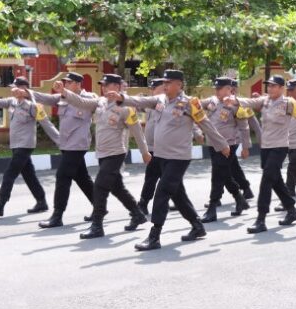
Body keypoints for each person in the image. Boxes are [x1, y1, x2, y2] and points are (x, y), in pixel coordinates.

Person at [107, 70, 230, 250]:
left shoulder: (190, 103)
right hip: (161, 156)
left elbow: (206, 124)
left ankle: (154, 235)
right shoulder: (160, 100)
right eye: (164, 82)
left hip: (178, 157)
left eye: (169, 82)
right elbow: (140, 101)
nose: (165, 85)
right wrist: (122, 97)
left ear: (179, 84)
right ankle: (197, 226)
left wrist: (222, 144)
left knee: (162, 192)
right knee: (178, 195)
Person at [55, 74, 152, 239]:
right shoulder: (99, 102)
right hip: (102, 153)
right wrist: (64, 91)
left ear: (117, 87)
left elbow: (137, 131)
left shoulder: (126, 107)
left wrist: (144, 152)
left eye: (107, 85)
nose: (104, 88)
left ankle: (97, 225)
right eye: (103, 86)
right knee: (117, 188)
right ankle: (137, 213)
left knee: (100, 186)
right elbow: (81, 102)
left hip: (116, 153)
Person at [225, 75, 296, 234]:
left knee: (266, 181)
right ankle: (292, 211)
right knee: (276, 180)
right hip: (266, 147)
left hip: (280, 147)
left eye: (273, 86)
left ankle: (261, 218)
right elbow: (249, 102)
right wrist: (234, 100)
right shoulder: (265, 101)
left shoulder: (288, 103)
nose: (270, 88)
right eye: (268, 86)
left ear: (281, 88)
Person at [0, 77, 58, 217]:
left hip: (25, 145)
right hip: (16, 144)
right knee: (29, 175)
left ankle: (0, 205)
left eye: (14, 87)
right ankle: (41, 201)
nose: (11, 89)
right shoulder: (12, 102)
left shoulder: (33, 106)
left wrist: (60, 141)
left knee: (9, 174)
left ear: (23, 89)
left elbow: (46, 123)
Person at [22, 72, 99, 228]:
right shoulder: (63, 97)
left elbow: (80, 101)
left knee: (62, 176)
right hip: (65, 144)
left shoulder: (90, 97)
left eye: (69, 82)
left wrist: (65, 92)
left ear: (78, 84)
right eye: (65, 82)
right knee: (82, 178)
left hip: (77, 145)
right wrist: (27, 92)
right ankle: (100, 207)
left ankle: (57, 216)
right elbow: (47, 99)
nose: (66, 84)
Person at [198, 77, 251, 223]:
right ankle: (240, 199)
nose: (216, 91)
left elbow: (244, 127)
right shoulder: (213, 101)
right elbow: (197, 105)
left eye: (220, 88)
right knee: (225, 174)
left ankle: (212, 208)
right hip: (213, 143)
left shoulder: (236, 105)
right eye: (216, 88)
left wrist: (246, 147)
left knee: (217, 174)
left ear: (229, 89)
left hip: (228, 145)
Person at [137, 78, 167, 215]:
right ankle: (177, 200)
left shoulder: (167, 104)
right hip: (151, 146)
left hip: (163, 148)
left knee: (153, 176)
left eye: (155, 88)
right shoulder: (150, 103)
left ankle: (143, 203)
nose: (152, 90)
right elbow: (142, 119)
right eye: (151, 88)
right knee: (160, 176)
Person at [230, 79, 256, 200]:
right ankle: (246, 189)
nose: (232, 90)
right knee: (230, 166)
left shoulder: (241, 103)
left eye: (234, 88)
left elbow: (252, 121)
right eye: (230, 87)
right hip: (221, 140)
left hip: (233, 139)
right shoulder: (219, 101)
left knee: (225, 167)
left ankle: (216, 198)